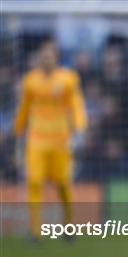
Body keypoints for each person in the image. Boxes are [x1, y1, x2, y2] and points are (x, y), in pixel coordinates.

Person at [14, 40, 87, 239]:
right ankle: (35, 231)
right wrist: (18, 130)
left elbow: (76, 104)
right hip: (36, 139)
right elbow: (25, 108)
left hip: (61, 140)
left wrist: (80, 128)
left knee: (63, 184)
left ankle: (69, 226)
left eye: (50, 55)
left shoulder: (68, 79)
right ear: (39, 58)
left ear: (56, 57)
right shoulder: (30, 81)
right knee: (35, 182)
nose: (46, 59)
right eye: (43, 55)